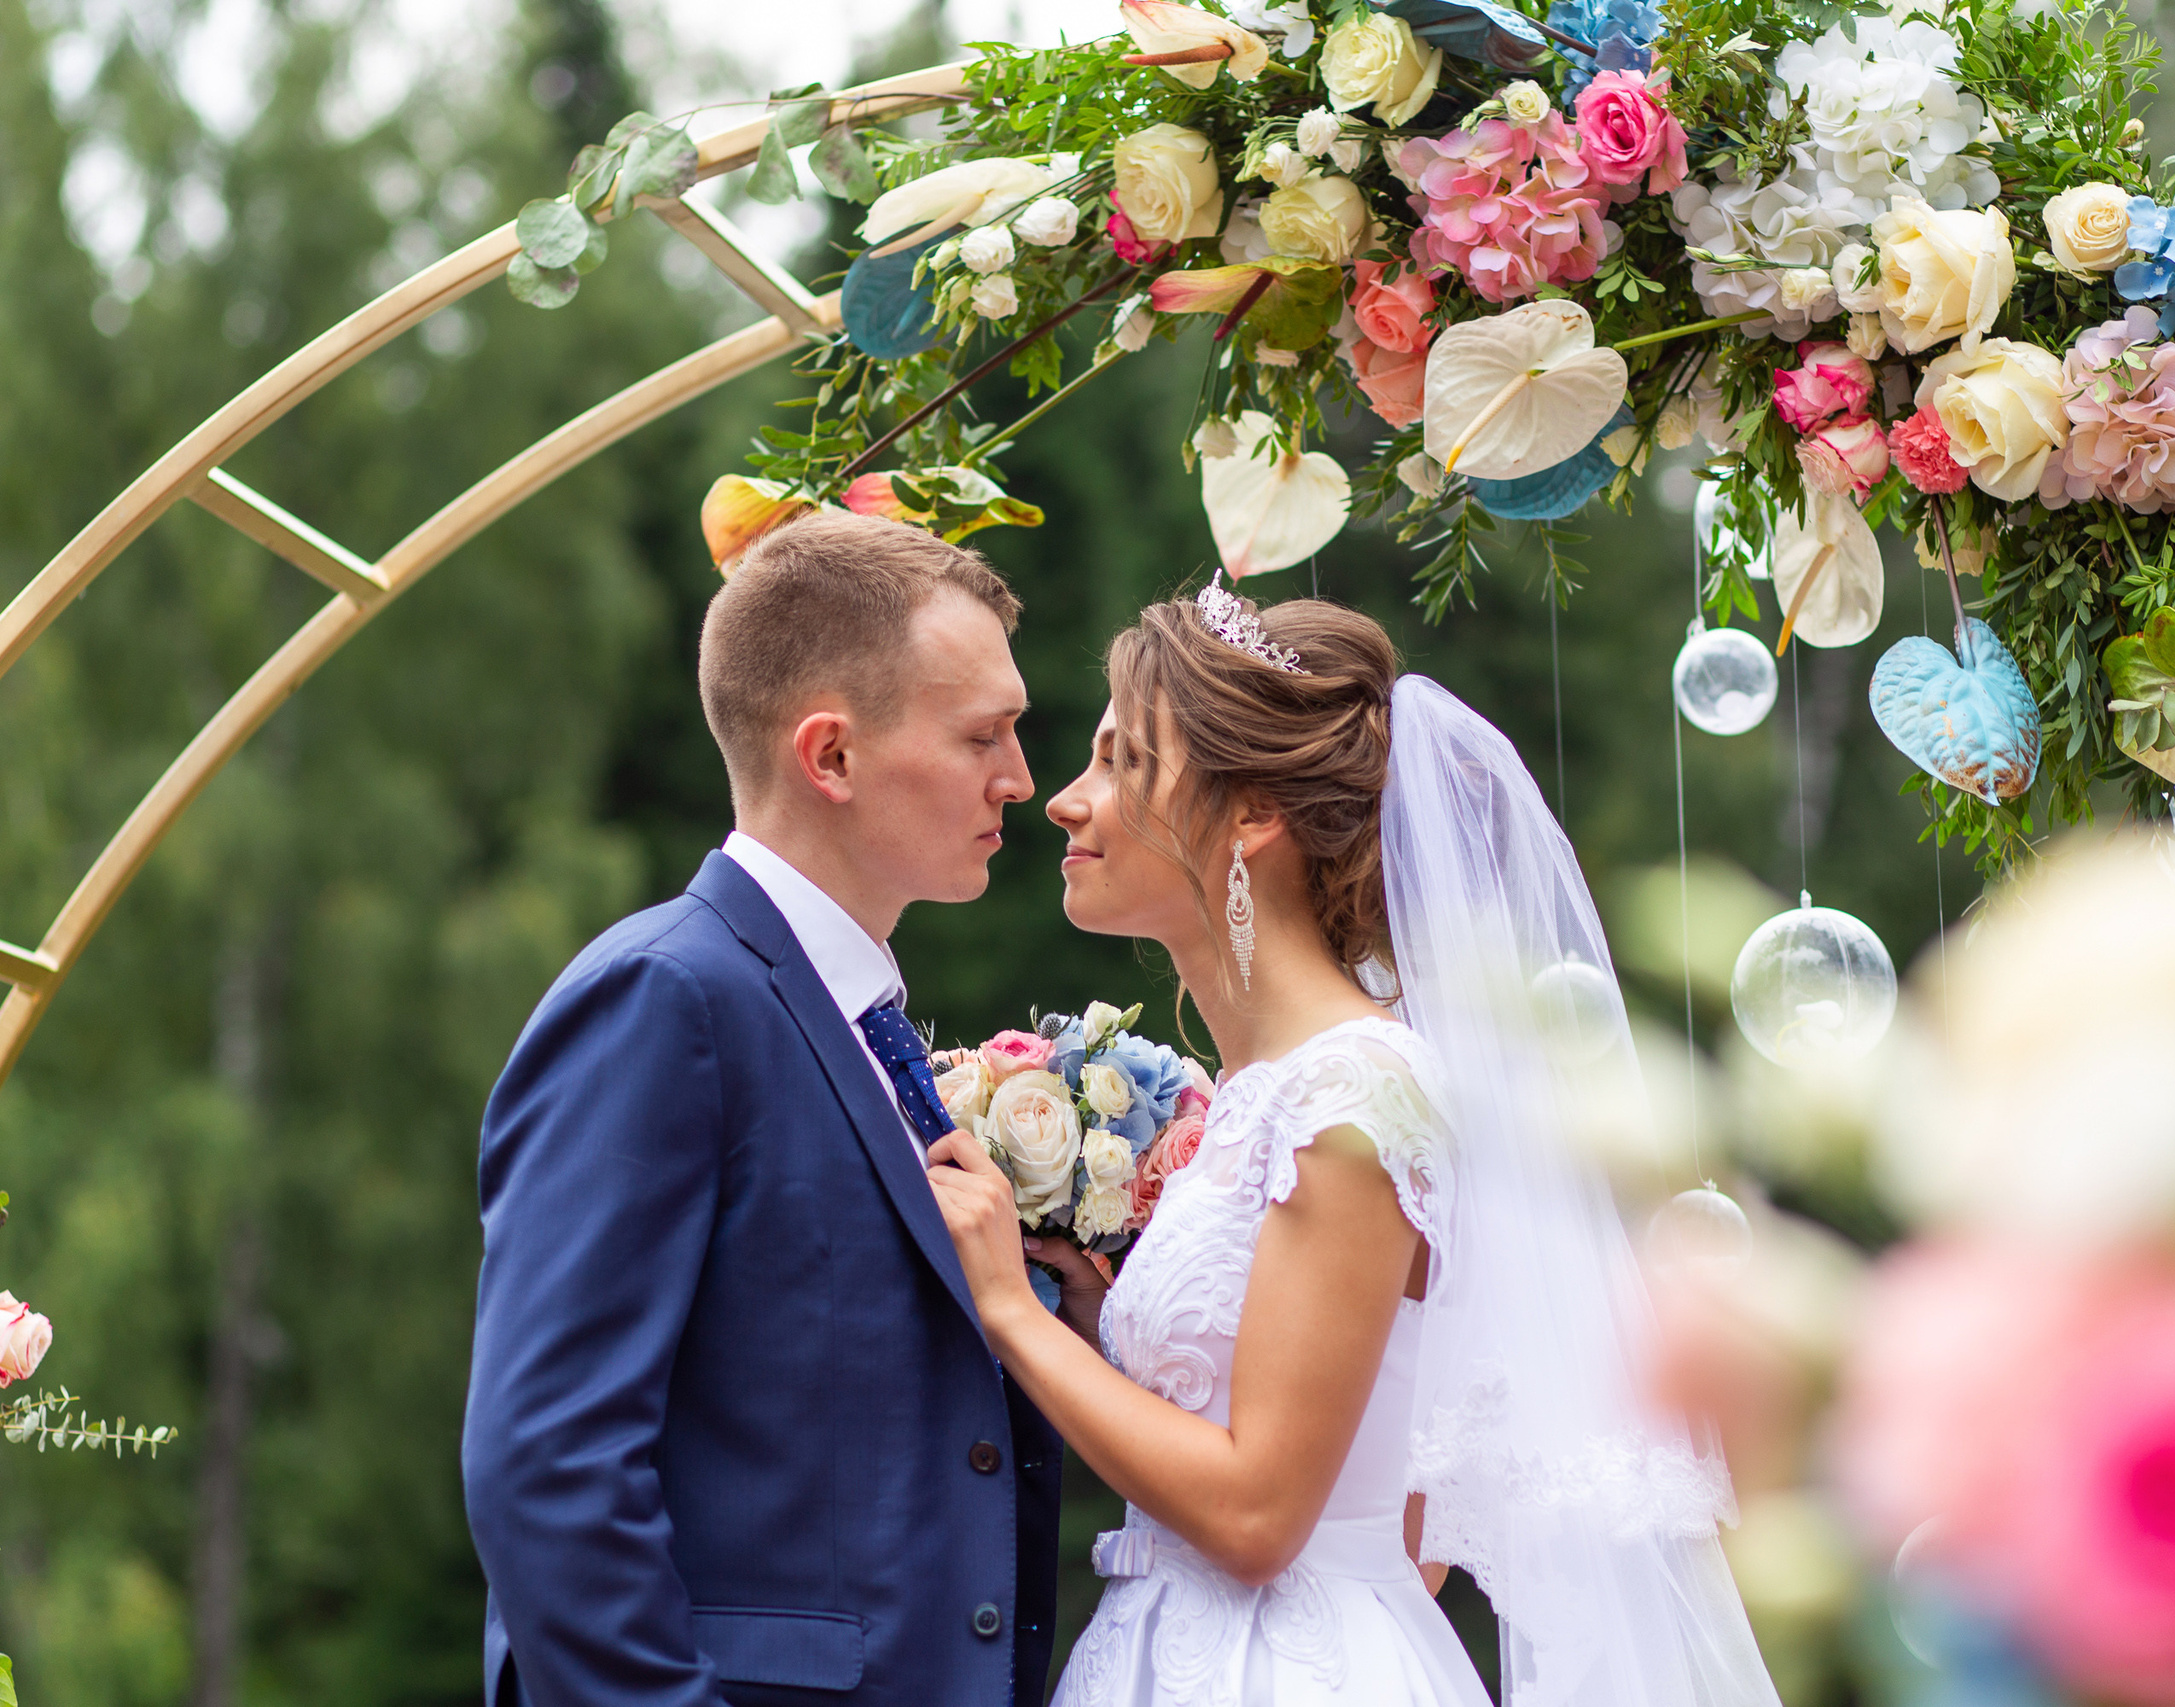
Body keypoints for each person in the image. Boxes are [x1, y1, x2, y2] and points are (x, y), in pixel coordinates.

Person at [927, 584, 1781, 1706]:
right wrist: (1097, 1317)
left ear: (1251, 815)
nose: (1067, 802)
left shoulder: (1356, 1095)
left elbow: (1254, 1514)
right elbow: (1396, 1484)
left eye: (1122, 763)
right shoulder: (1265, 1092)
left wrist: (1006, 1313)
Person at [461, 513, 1067, 1707]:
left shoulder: (861, 1015)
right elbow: (546, 1463)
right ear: (829, 757)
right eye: (983, 735)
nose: (1022, 778)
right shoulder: (664, 998)